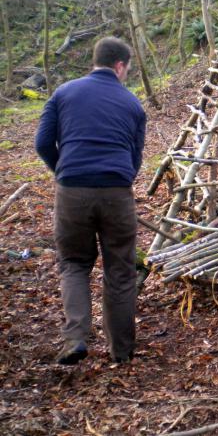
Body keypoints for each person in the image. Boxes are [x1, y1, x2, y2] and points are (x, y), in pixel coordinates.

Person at [35, 37, 146, 365]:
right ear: (120, 66)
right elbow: (135, 158)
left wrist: (65, 172)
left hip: (72, 191)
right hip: (117, 192)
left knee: (74, 263)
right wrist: (119, 179)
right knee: (121, 271)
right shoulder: (133, 104)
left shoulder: (64, 93)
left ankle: (75, 338)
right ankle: (122, 352)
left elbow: (42, 142)